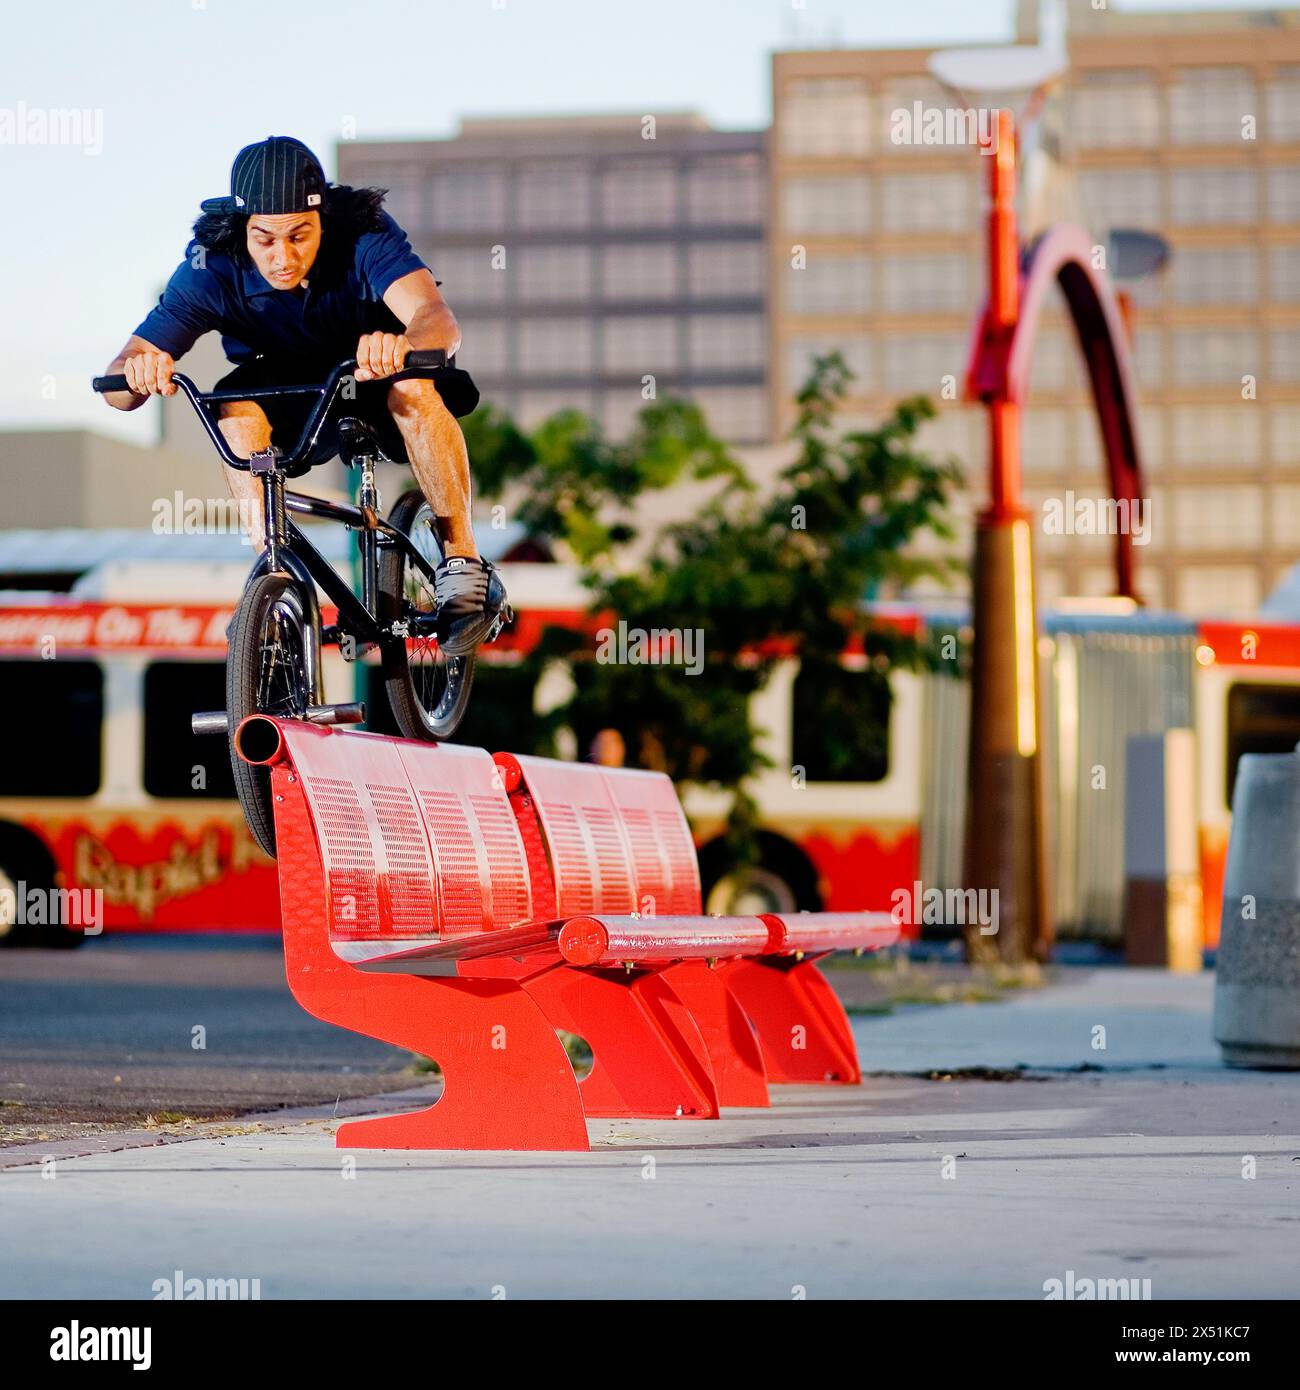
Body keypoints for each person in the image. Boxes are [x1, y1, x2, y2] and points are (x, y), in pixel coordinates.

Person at [99, 135, 503, 654]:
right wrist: (139, 369)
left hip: (373, 369)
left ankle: (463, 564)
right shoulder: (211, 266)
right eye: (264, 239)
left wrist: (402, 345)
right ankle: (274, 574)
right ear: (242, 228)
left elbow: (436, 320)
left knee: (411, 387)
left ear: (323, 220)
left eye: (300, 236)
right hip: (291, 388)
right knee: (234, 406)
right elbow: (118, 386)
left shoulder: (362, 233)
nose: (282, 257)